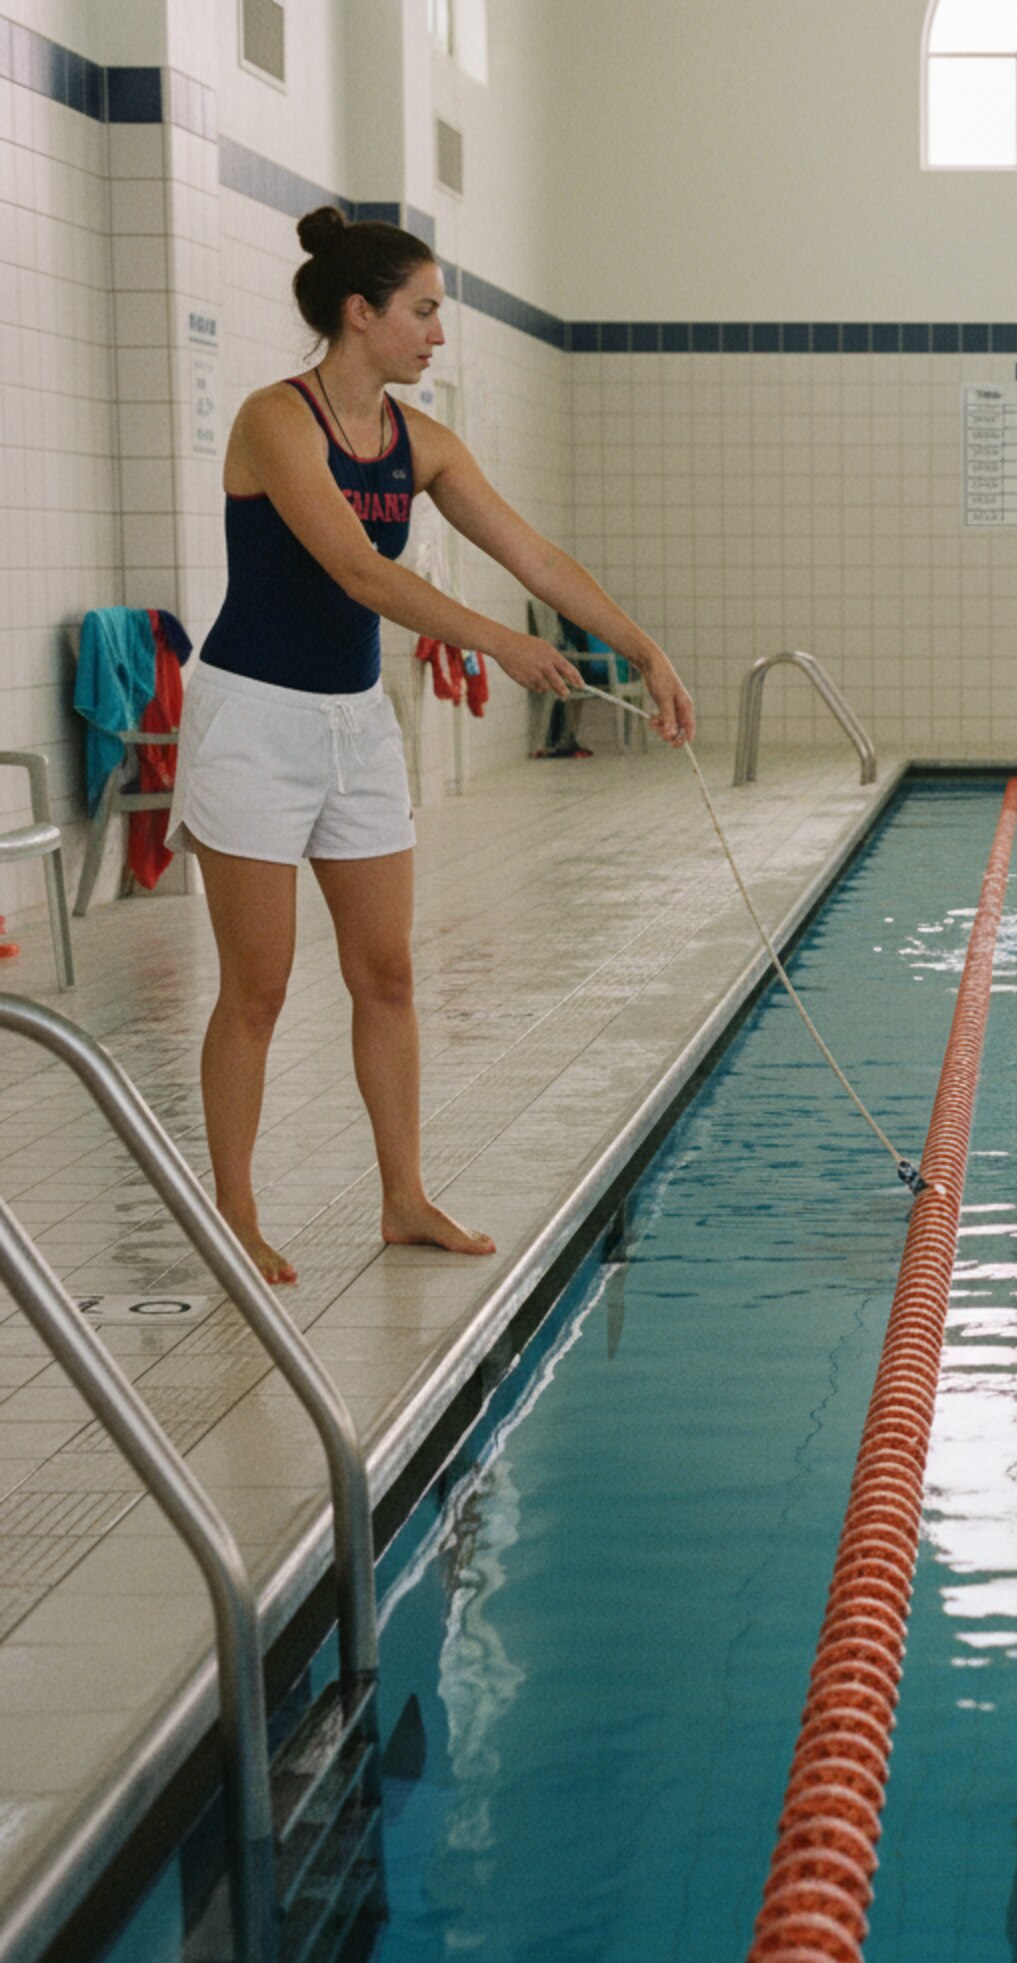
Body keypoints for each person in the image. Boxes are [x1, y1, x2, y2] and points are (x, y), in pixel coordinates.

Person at [174, 207, 696, 1284]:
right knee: (258, 987)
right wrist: (500, 642)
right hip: (253, 720)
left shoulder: (424, 443)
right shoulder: (276, 420)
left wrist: (643, 648)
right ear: (359, 314)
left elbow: (535, 556)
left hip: (356, 723)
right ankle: (234, 1213)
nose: (438, 335)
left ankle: (404, 1196)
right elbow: (358, 571)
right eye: (422, 312)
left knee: (390, 974)